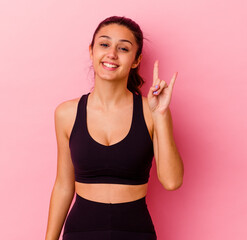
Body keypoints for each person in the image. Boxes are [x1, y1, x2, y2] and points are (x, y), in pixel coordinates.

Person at [45, 16, 184, 240]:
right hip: (81, 231)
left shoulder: (151, 111)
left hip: (135, 232)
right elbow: (63, 185)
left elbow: (172, 181)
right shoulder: (66, 113)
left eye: (123, 48)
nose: (112, 54)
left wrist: (161, 115)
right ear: (91, 51)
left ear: (136, 60)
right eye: (104, 44)